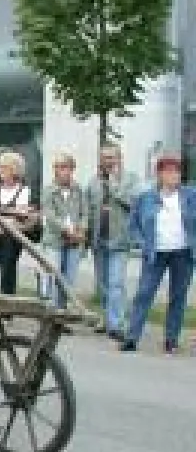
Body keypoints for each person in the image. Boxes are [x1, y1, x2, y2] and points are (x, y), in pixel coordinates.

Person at [120, 155, 196, 354]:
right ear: (160, 174)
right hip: (155, 253)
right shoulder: (146, 197)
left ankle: (171, 340)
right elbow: (133, 225)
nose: (174, 176)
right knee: (144, 294)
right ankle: (131, 338)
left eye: (177, 172)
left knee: (178, 297)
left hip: (183, 253)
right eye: (169, 171)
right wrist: (142, 243)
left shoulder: (191, 195)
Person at [87, 145, 140, 339]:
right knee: (103, 284)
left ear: (120, 158)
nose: (108, 161)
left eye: (112, 157)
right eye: (104, 158)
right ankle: (107, 319)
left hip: (120, 240)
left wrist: (115, 186)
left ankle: (116, 325)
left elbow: (135, 203)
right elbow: (88, 211)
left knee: (116, 283)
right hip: (99, 239)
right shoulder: (93, 182)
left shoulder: (131, 179)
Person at [0, 151, 36, 295]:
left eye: (3, 167)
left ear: (14, 170)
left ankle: (6, 313)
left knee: (8, 275)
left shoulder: (24, 190)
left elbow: (21, 215)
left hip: (11, 237)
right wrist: (10, 212)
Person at [39, 152, 88, 309]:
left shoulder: (78, 189)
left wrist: (82, 229)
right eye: (58, 167)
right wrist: (67, 230)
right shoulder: (48, 190)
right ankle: (51, 311)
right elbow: (50, 216)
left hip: (74, 240)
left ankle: (62, 311)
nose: (61, 171)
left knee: (69, 279)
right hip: (55, 240)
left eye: (65, 167)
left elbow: (84, 212)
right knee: (54, 275)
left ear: (72, 169)